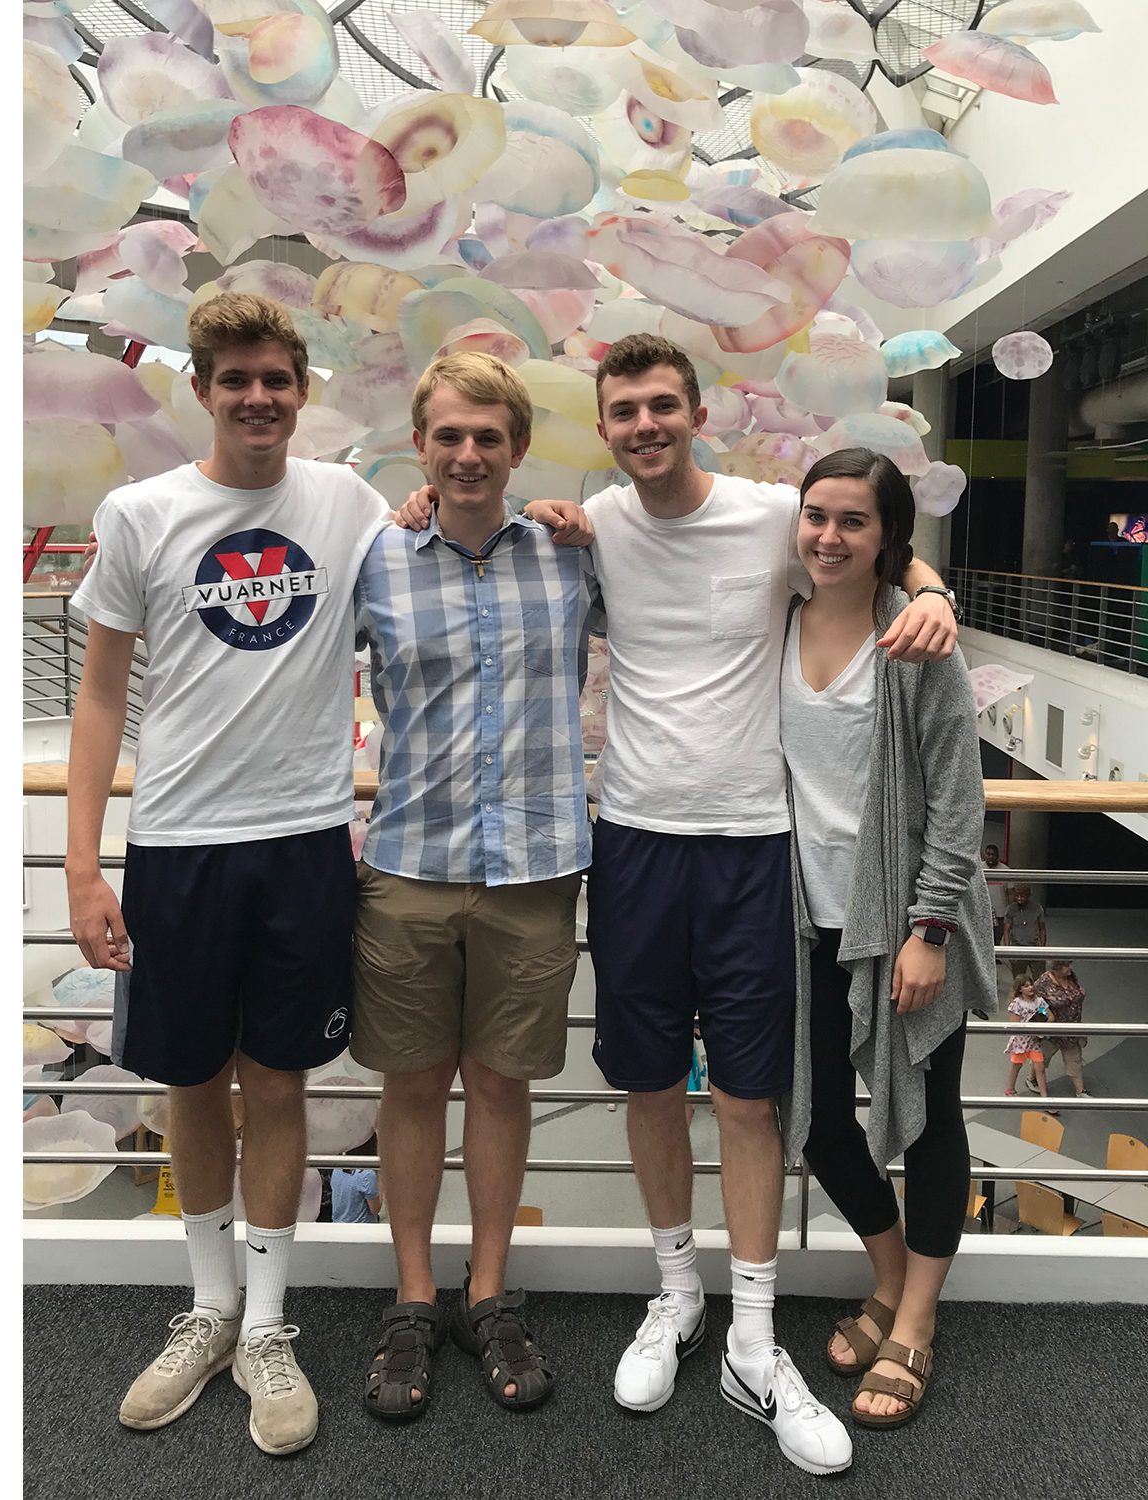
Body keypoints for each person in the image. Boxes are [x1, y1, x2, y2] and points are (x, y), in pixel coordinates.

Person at [399, 332, 956, 1474]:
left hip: (757, 851)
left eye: (662, 405)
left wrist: (931, 580)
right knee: (648, 1088)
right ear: (602, 427)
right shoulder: (591, 526)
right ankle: (677, 1297)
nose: (644, 425)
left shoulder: (768, 515)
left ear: (695, 411)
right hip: (635, 843)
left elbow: (862, 540)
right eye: (624, 412)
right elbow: (477, 527)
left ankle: (754, 1333)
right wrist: (421, 496)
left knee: (752, 1101)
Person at [63, 291, 386, 1457]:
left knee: (282, 1084)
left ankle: (265, 1324)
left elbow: (457, 536)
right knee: (190, 1083)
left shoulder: (347, 504)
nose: (257, 398)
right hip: (177, 848)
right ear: (199, 389)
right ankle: (203, 1309)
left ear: (302, 390)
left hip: (302, 843)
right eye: (234, 379)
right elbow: (100, 696)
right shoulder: (141, 511)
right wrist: (83, 865)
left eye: (276, 379)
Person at [348, 352, 588, 1423]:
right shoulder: (376, 560)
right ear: (420, 447)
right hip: (407, 860)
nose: (467, 454)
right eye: (448, 436)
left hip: (535, 867)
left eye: (488, 436)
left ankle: (486, 1291)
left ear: (518, 447)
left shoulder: (576, 557)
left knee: (499, 1084)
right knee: (408, 1084)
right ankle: (411, 1296)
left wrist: (922, 580)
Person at [782, 447, 996, 1436]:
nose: (829, 535)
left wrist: (929, 930)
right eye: (816, 515)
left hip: (913, 916)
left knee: (932, 1117)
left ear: (887, 537)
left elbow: (958, 800)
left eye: (853, 521)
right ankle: (888, 1271)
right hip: (807, 916)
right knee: (819, 1118)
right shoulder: (775, 612)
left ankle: (911, 1317)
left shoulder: (915, 641)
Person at [1038, 959, 1088, 1097]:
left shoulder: (1071, 977)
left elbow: (1076, 993)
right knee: (1042, 1058)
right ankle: (1033, 1079)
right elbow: (1035, 1004)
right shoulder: (1043, 983)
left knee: (1075, 1060)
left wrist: (1081, 994)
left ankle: (1080, 1091)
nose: (1070, 967)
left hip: (1071, 1029)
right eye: (1066, 965)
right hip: (1052, 1032)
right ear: (1056, 968)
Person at [1003, 979, 1049, 1099]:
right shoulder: (1017, 1003)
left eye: (1031, 985)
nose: (1030, 988)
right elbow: (1015, 1023)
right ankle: (1010, 1090)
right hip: (1021, 1041)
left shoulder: (1039, 1001)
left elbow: (1051, 1016)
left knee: (1040, 1067)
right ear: (1020, 989)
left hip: (1034, 1041)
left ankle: (1045, 1098)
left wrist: (1041, 1025)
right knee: (1017, 1065)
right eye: (1026, 986)